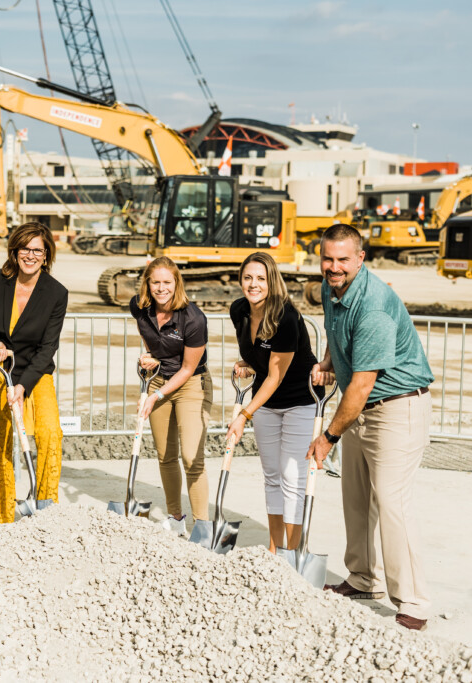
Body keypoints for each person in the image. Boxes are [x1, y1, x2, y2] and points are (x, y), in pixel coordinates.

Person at [306, 223, 435, 632]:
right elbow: (334, 327)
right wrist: (328, 362)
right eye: (328, 258)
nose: (334, 266)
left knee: (392, 503)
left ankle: (413, 601)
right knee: (356, 497)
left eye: (343, 259)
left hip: (396, 408)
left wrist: (328, 436)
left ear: (360, 259)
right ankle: (364, 578)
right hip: (360, 407)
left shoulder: (374, 305)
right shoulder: (331, 287)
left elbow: (362, 384)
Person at [0, 221, 68, 528]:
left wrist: (23, 386)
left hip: (34, 373)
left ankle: (46, 510)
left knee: (50, 434)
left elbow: (48, 346)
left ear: (47, 254)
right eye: (25, 248)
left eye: (37, 249)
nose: (30, 255)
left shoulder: (56, 293)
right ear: (14, 250)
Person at [226, 251, 323, 553]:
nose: (253, 284)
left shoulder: (286, 316)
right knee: (271, 476)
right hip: (266, 403)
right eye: (247, 278)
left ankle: (295, 553)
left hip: (299, 400)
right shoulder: (239, 310)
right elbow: (261, 359)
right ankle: (273, 548)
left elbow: (276, 375)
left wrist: (244, 415)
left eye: (260, 279)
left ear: (272, 281)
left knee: (292, 476)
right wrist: (248, 361)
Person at [130, 256, 212, 536]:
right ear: (148, 283)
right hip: (158, 381)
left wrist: (157, 395)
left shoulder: (193, 318)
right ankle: (176, 519)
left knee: (191, 457)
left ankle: (203, 526)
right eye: (156, 282)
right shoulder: (139, 307)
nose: (161, 288)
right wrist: (149, 356)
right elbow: (149, 336)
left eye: (167, 282)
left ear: (176, 283)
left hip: (190, 385)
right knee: (166, 456)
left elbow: (188, 368)